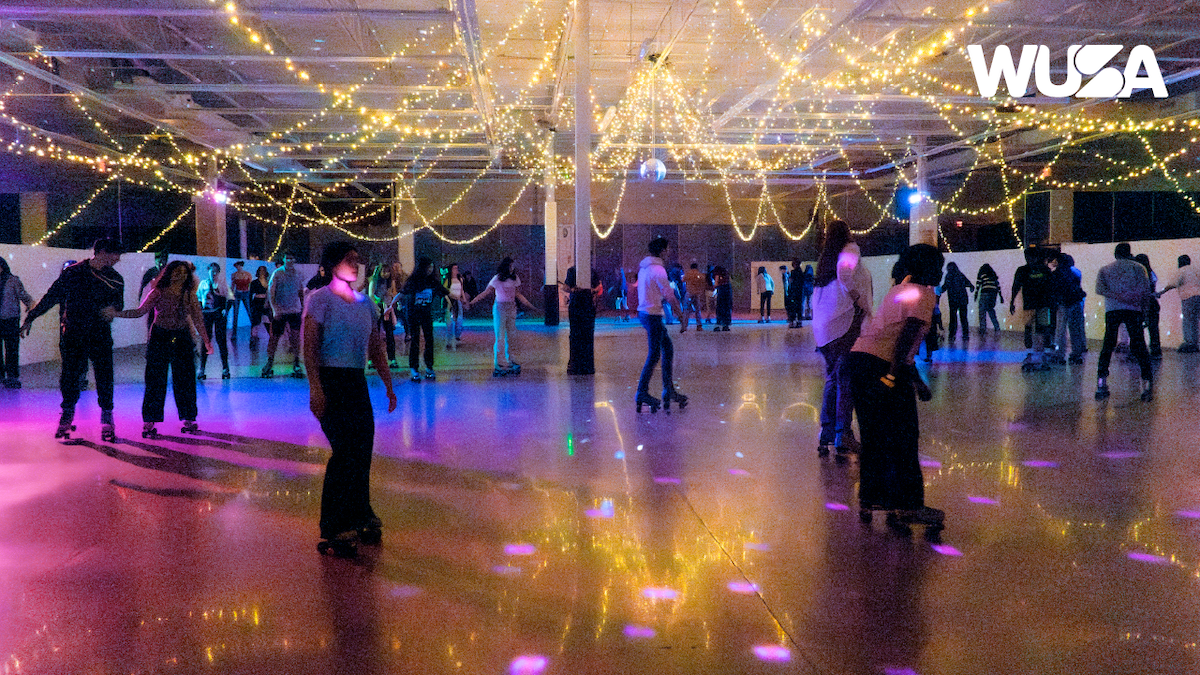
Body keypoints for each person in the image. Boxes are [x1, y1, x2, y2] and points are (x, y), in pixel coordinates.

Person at [303, 242, 397, 558]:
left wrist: (388, 383)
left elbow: (376, 348)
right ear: (332, 265)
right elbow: (310, 348)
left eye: (357, 260)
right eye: (348, 260)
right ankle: (333, 524)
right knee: (344, 452)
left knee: (362, 451)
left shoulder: (367, 304)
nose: (355, 265)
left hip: (356, 383)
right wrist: (316, 388)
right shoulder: (319, 300)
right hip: (331, 381)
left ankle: (361, 513)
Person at [846, 243, 944, 532]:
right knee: (904, 436)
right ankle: (910, 506)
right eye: (937, 265)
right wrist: (891, 377)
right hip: (882, 367)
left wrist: (915, 381)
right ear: (927, 267)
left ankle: (872, 500)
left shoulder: (897, 290)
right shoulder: (925, 294)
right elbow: (906, 338)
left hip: (860, 362)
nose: (940, 270)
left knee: (875, 436)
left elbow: (896, 338)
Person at [21, 238, 125, 440]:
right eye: (116, 254)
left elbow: (119, 302)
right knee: (70, 376)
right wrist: (31, 316)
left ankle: (107, 418)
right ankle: (67, 415)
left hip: (100, 334)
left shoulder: (116, 278)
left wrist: (114, 309)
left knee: (105, 375)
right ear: (102, 251)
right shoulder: (73, 273)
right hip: (74, 334)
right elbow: (51, 297)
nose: (118, 259)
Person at [114, 260, 213, 437]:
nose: (181, 275)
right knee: (155, 379)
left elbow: (198, 318)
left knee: (185, 379)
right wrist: (117, 313)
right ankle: (149, 422)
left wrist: (206, 341)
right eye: (177, 272)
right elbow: (140, 311)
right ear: (169, 273)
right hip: (160, 336)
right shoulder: (158, 291)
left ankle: (189, 418)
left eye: (184, 272)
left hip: (181, 336)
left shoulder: (189, 294)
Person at [811, 219, 873, 459]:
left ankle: (826, 435)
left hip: (823, 330)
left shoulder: (825, 257)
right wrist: (857, 298)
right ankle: (843, 434)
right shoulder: (849, 249)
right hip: (843, 324)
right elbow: (845, 273)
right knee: (845, 379)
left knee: (833, 379)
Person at [634, 237, 689, 412]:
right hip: (652, 315)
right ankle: (642, 392)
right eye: (668, 248)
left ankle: (668, 390)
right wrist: (681, 316)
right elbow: (669, 295)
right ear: (663, 251)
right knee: (654, 355)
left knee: (667, 348)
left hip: (645, 313)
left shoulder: (644, 268)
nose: (670, 251)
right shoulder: (658, 270)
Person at [1095, 243, 1154, 401]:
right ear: (1129, 253)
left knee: (1108, 343)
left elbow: (1099, 289)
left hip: (1112, 309)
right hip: (1133, 309)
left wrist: (1117, 296)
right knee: (1139, 344)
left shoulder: (1105, 269)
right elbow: (1145, 291)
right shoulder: (1138, 268)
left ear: (1115, 254)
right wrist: (1145, 311)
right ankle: (1147, 383)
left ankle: (1101, 382)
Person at [467, 257, 538, 377]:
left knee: (511, 335)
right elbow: (486, 292)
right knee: (500, 336)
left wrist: (530, 306)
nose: (513, 268)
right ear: (506, 266)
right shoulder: (497, 278)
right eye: (511, 266)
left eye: (513, 266)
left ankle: (510, 359)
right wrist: (472, 302)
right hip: (500, 308)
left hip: (511, 308)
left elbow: (518, 294)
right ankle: (499, 363)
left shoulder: (515, 278)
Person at [401, 256, 449, 382]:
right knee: (415, 340)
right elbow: (402, 293)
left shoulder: (433, 281)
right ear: (423, 267)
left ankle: (429, 366)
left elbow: (445, 292)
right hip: (413, 314)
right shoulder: (414, 280)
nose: (431, 269)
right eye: (429, 267)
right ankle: (414, 368)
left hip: (426, 314)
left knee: (429, 340)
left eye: (432, 267)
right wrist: (390, 306)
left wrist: (463, 300)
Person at [1009, 247, 1054, 370]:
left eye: (1029, 256)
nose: (1028, 259)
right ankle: (1037, 353)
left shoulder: (1025, 270)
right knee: (1037, 328)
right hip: (1039, 305)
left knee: (1037, 329)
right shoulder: (1043, 270)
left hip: (1036, 305)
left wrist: (1012, 301)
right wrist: (1012, 301)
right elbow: (1016, 286)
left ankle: (1036, 353)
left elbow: (1016, 286)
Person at [262, 253, 305, 378]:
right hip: (280, 311)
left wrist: (301, 307)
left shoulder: (297, 274)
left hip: (294, 310)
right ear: (284, 260)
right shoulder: (277, 273)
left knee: (296, 337)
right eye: (287, 258)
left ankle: (296, 363)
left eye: (292, 258)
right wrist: (275, 310)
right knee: (274, 337)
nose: (289, 260)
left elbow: (300, 291)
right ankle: (269, 362)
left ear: (294, 260)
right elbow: (271, 292)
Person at [0, 258, 34, 388]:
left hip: (10, 319)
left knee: (12, 349)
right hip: (7, 318)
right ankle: (2, 376)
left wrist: (31, 307)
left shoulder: (13, 280)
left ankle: (12, 377)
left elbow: (24, 295)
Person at [1049, 252, 1087, 364]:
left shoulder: (1055, 273)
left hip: (1063, 304)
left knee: (1060, 330)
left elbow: (1054, 290)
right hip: (1076, 302)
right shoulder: (1076, 272)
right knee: (1075, 329)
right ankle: (1076, 353)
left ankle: (1059, 354)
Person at [196, 262, 232, 380]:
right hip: (206, 314)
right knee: (205, 340)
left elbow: (230, 298)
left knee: (221, 340)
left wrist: (225, 311)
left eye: (216, 272)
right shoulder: (203, 284)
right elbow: (198, 298)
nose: (214, 274)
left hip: (218, 314)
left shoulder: (222, 284)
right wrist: (200, 310)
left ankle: (225, 367)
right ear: (208, 271)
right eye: (212, 271)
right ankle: (202, 368)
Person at [1157, 254, 1200, 352]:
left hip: (1188, 297)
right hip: (1199, 297)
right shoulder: (1196, 269)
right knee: (1195, 320)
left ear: (1180, 262)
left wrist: (1161, 293)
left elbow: (1172, 284)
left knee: (1188, 321)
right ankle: (1196, 343)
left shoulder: (1182, 270)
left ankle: (1189, 343)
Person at [366, 265, 398, 368]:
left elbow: (391, 293)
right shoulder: (374, 282)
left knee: (389, 334)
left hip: (386, 309)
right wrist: (378, 303)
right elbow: (371, 295)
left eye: (388, 272)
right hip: (376, 309)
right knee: (375, 335)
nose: (386, 274)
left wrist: (389, 304)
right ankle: (371, 360)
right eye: (384, 272)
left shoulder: (389, 282)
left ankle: (392, 359)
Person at [1134, 254, 1162, 358]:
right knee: (1153, 329)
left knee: (1137, 328)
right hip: (1153, 303)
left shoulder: (1139, 274)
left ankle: (1138, 351)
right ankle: (1156, 351)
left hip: (1141, 303)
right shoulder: (1151, 273)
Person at [941, 262, 974, 342]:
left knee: (953, 317)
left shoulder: (949, 276)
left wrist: (938, 291)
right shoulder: (960, 274)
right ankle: (965, 335)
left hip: (953, 300)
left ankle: (952, 334)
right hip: (963, 300)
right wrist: (971, 287)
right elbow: (969, 283)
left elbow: (945, 286)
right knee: (963, 318)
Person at [974, 264, 1004, 336]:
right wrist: (1000, 296)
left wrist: (976, 294)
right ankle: (997, 327)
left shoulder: (982, 275)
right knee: (991, 310)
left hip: (985, 292)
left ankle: (983, 329)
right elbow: (998, 286)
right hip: (994, 293)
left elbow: (978, 285)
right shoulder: (993, 276)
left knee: (982, 311)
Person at [444, 263, 468, 349]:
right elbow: (445, 292)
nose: (456, 270)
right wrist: (449, 301)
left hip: (458, 301)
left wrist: (464, 299)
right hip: (450, 302)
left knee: (459, 320)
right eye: (454, 268)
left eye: (457, 268)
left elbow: (462, 290)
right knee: (449, 322)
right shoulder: (448, 280)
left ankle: (457, 337)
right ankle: (449, 340)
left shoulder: (460, 279)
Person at [248, 265, 271, 346]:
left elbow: (270, 293)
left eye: (263, 270)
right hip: (257, 302)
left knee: (267, 320)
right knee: (255, 321)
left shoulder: (269, 282)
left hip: (266, 302)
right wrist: (250, 305)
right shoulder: (254, 282)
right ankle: (253, 338)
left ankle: (271, 338)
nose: (262, 272)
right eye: (260, 270)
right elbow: (250, 294)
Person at [229, 261, 253, 342]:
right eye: (237, 266)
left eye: (239, 266)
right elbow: (232, 286)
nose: (238, 267)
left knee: (249, 312)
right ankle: (234, 334)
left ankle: (253, 332)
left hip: (245, 293)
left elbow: (250, 285)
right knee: (235, 314)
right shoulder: (234, 275)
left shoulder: (247, 274)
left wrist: (249, 293)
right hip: (238, 293)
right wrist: (231, 296)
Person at [682, 263, 706, 330]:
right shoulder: (699, 274)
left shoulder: (687, 274)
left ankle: (684, 326)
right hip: (697, 294)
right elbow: (702, 281)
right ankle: (699, 326)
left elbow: (682, 280)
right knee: (697, 310)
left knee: (686, 310)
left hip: (689, 293)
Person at [713, 265, 732, 330]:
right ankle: (726, 324)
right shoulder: (726, 274)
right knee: (726, 308)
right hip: (728, 293)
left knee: (720, 308)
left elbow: (716, 284)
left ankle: (719, 323)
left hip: (721, 293)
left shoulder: (717, 275)